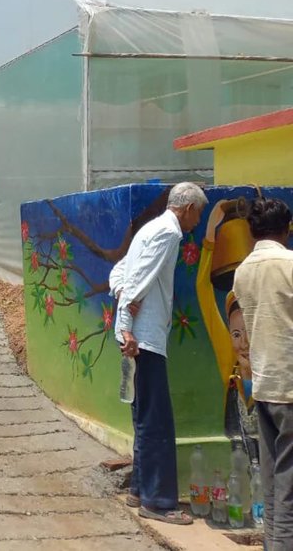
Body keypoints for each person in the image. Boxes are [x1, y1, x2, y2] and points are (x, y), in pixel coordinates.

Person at [111, 182, 207, 525]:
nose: (198, 221)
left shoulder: (149, 230)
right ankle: (159, 502)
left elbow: (120, 272)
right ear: (187, 208)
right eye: (198, 213)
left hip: (139, 338)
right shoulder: (168, 233)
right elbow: (138, 280)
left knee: (145, 417)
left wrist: (121, 304)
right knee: (157, 422)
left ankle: (139, 490)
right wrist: (126, 326)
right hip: (144, 339)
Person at [233, 197, 293, 550]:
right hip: (289, 383)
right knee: (288, 486)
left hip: (264, 384)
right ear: (286, 229)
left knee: (272, 482)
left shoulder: (243, 271)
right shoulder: (289, 264)